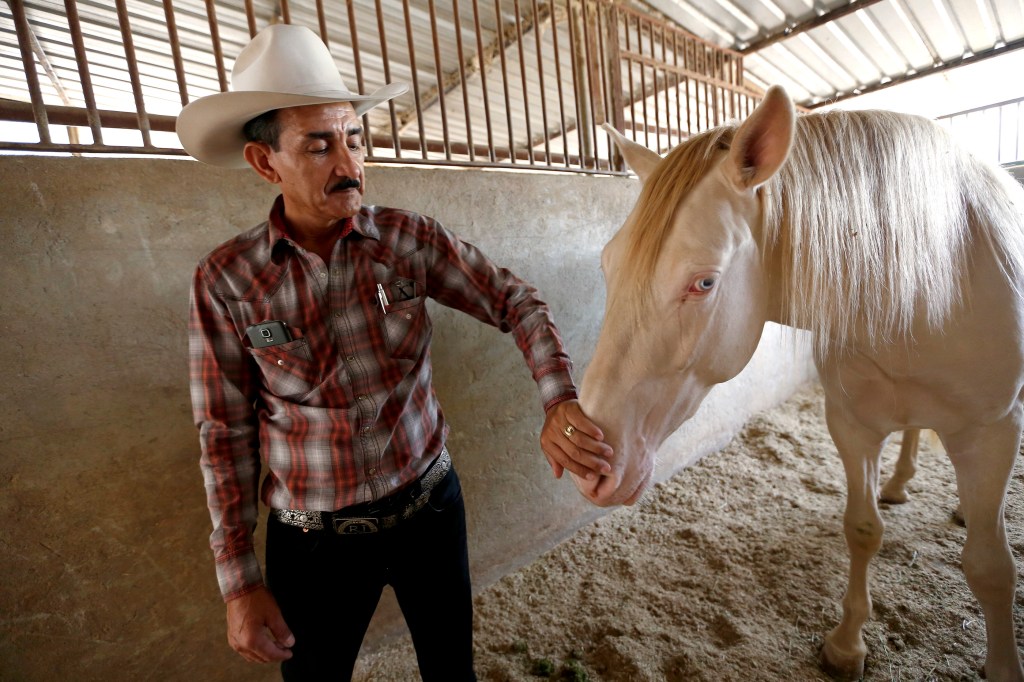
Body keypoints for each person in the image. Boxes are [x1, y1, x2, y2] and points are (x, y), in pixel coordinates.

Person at [177, 23, 612, 681]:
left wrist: (559, 400)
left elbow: (515, 301)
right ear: (266, 163)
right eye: (319, 146)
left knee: (451, 671)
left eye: (354, 139)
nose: (349, 165)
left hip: (430, 512)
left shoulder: (407, 240)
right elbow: (223, 436)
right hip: (312, 543)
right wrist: (239, 582)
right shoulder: (228, 281)